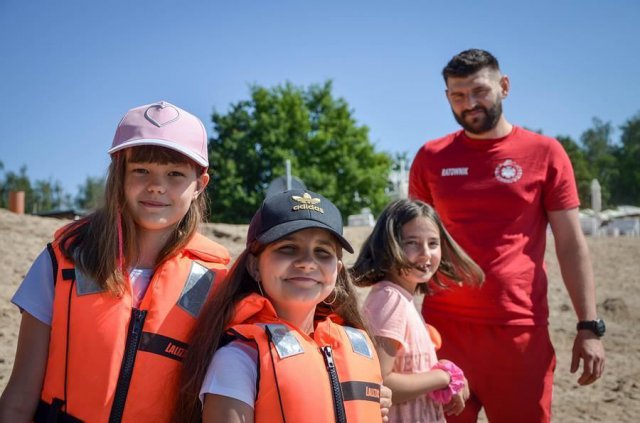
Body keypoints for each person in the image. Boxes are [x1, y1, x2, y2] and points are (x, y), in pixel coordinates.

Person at [0, 101, 230, 422]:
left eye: (175, 174)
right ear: (118, 174)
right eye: (141, 170)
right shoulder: (62, 262)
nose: (156, 185)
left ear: (199, 185)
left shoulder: (217, 282)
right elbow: (19, 396)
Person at [408, 49, 606, 422]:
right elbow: (411, 244)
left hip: (519, 332)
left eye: (479, 91)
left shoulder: (544, 153)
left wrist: (589, 326)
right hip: (441, 331)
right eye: (458, 95)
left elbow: (570, 243)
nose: (470, 103)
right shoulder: (430, 157)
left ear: (504, 86)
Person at [174, 189, 386, 423]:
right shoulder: (238, 360)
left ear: (338, 270)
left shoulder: (356, 347)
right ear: (255, 266)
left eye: (322, 252)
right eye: (288, 248)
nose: (307, 262)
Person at [351, 199, 484, 423]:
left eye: (433, 243)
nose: (425, 254)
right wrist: (441, 377)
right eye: (411, 243)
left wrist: (443, 370)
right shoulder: (389, 300)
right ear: (388, 246)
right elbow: (380, 383)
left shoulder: (402, 298)